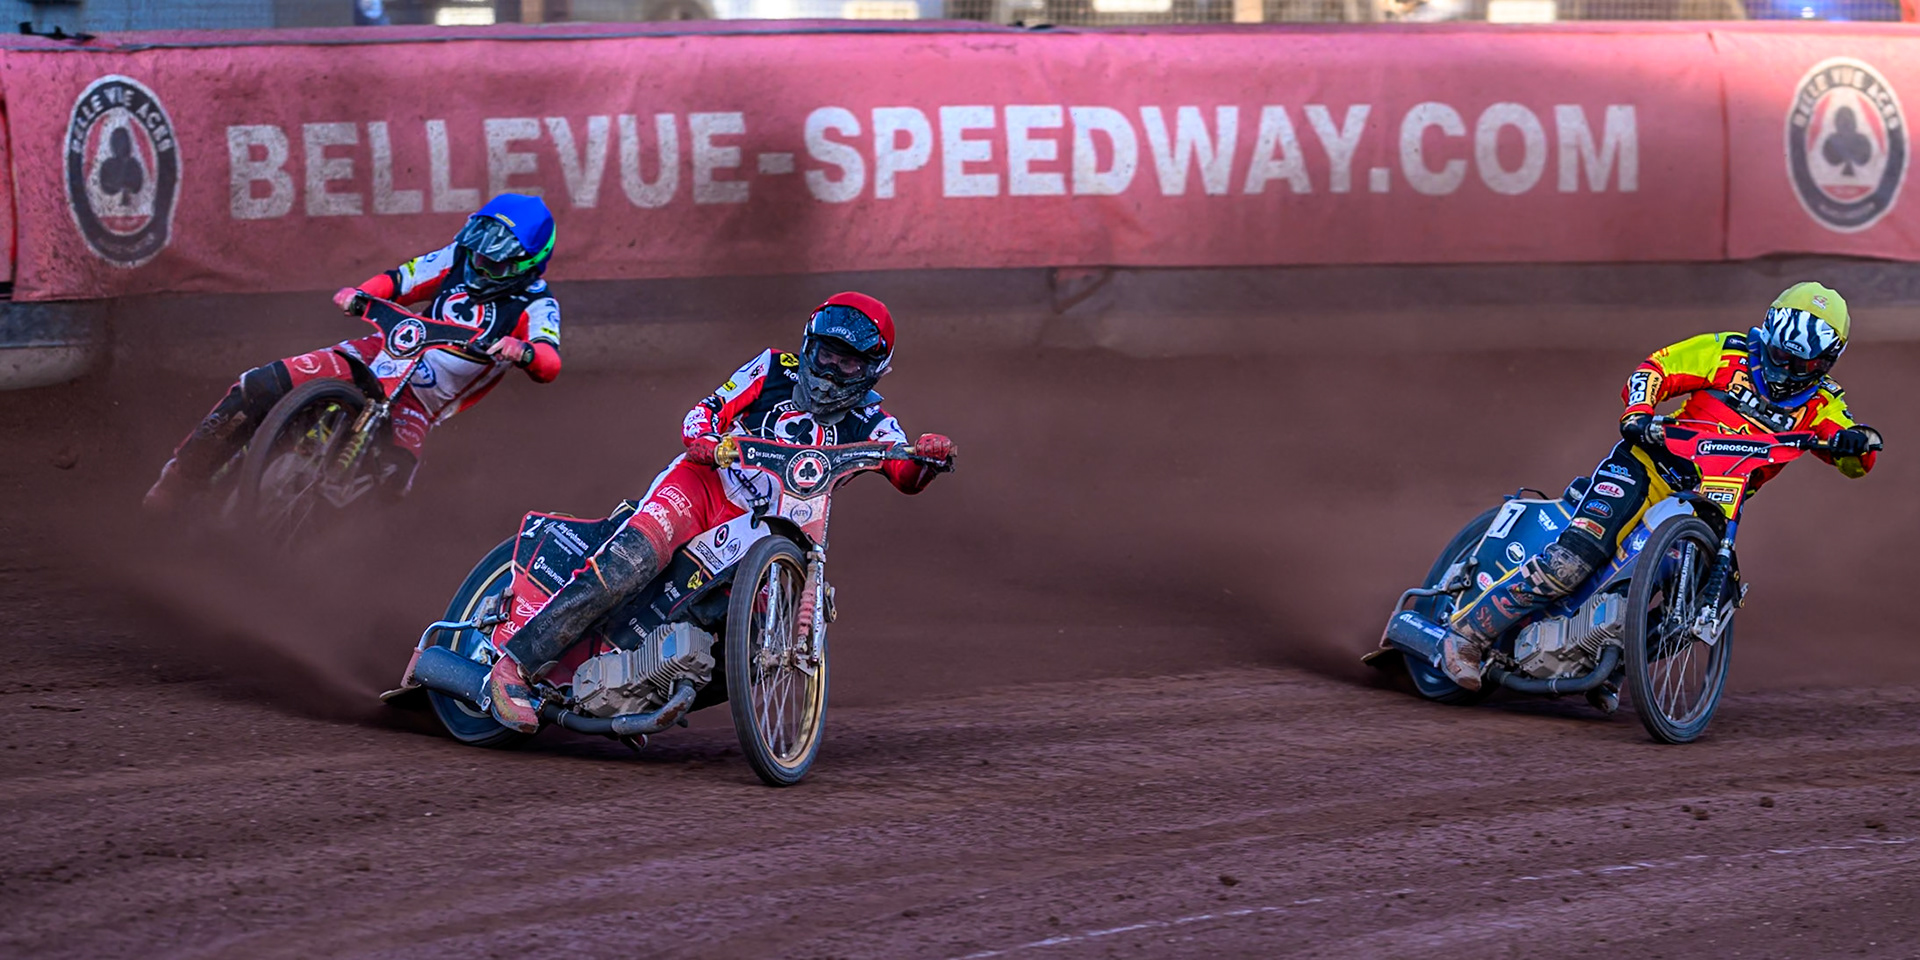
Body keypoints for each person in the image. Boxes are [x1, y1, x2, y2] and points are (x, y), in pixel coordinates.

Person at [479, 292, 956, 734]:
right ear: (809, 345)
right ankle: (514, 668)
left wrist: (928, 457)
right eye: (826, 354)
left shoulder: (873, 422)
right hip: (703, 488)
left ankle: (650, 689)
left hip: (769, 534)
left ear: (872, 371)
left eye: (847, 362)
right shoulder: (773, 368)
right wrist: (707, 442)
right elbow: (703, 412)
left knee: (756, 636)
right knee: (633, 561)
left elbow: (904, 470)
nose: (831, 370)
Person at [1439, 282, 1883, 692]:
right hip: (1648, 466)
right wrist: (1638, 411)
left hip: (1715, 501)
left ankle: (1607, 665)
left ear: (1826, 362)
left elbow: (1858, 459)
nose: (1786, 369)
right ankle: (1466, 636)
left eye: (1803, 364)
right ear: (1768, 334)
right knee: (1573, 560)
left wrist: (1854, 444)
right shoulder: (1727, 352)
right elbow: (1657, 367)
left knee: (1702, 606)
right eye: (1780, 354)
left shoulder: (1824, 402)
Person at [143, 194, 561, 510]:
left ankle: (310, 555)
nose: (479, 265)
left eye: (495, 263)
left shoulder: (538, 304)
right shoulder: (457, 257)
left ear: (529, 264)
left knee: (391, 485)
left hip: (419, 402)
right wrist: (361, 294)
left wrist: (523, 352)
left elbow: (550, 363)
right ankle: (181, 477)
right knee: (260, 384)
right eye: (477, 250)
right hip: (376, 353)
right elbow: (401, 280)